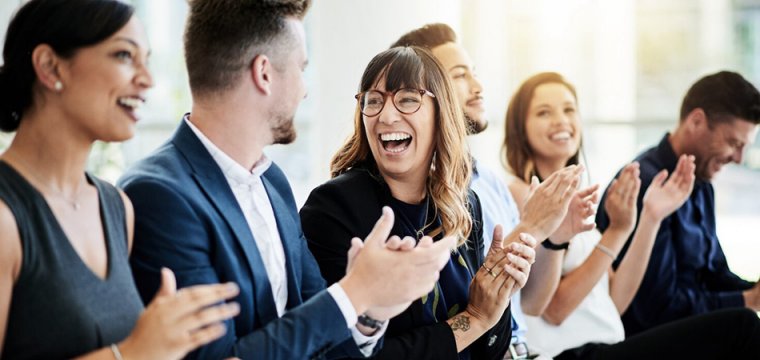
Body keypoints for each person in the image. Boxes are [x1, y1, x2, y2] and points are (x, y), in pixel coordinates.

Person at [118, 1, 455, 359]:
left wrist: (370, 313)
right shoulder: (159, 196)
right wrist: (355, 293)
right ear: (264, 73)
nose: (304, 90)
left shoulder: (272, 183)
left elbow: (317, 325)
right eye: (301, 69)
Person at [0, 1, 241, 359]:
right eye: (124, 56)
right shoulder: (5, 218)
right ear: (50, 67)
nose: (147, 79)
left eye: (147, 58)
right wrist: (132, 352)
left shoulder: (117, 208)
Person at [301, 45, 543, 360]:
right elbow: (345, 353)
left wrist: (496, 295)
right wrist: (475, 318)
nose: (386, 116)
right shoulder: (333, 208)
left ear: (440, 113)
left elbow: (489, 350)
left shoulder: (463, 202)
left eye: (407, 100)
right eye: (373, 102)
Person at [505, 71, 760, 359]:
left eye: (569, 109)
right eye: (543, 112)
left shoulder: (578, 200)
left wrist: (645, 219)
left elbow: (615, 299)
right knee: (744, 326)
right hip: (570, 352)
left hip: (610, 343)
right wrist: (614, 232)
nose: (562, 120)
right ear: (520, 127)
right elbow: (553, 309)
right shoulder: (519, 194)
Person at [391, 23, 589, 360]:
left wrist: (555, 238)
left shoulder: (488, 180)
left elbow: (531, 303)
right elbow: (468, 299)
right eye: (460, 76)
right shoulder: (421, 189)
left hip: (524, 350)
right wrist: (532, 227)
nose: (478, 87)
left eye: (474, 74)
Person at [596, 70, 760, 335]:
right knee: (747, 327)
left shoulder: (703, 181)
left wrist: (752, 291)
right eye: (733, 143)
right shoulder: (644, 184)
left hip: (689, 330)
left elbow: (713, 274)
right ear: (696, 121)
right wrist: (746, 301)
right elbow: (656, 308)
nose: (739, 158)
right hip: (647, 338)